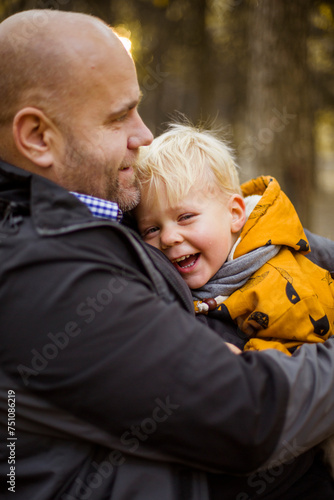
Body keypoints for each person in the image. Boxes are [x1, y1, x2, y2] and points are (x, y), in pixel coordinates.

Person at [1, 9, 334, 500]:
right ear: (37, 137)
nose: (145, 135)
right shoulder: (36, 270)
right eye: (118, 117)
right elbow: (247, 414)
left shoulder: (87, 209)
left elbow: (257, 242)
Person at [134, 123, 334, 355]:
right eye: (151, 230)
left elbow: (304, 349)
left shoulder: (276, 279)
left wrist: (244, 361)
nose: (168, 238)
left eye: (185, 217)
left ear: (235, 215)